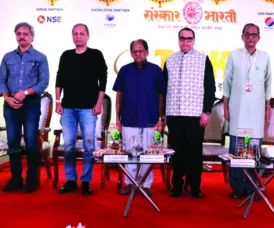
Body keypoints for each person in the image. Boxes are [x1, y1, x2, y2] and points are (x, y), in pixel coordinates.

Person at [55, 23, 108, 196]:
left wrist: (99, 103)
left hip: (88, 109)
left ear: (88, 36)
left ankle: (86, 181)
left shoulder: (96, 55)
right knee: (69, 145)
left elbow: (103, 80)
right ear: (72, 36)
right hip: (68, 109)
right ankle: (70, 180)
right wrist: (57, 101)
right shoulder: (66, 55)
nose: (78, 36)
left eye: (81, 33)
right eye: (75, 34)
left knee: (89, 146)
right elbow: (59, 80)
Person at [164, 27, 216, 198]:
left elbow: (210, 88)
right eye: (182, 38)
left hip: (195, 114)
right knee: (176, 151)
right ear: (178, 40)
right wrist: (164, 114)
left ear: (194, 40)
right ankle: (177, 185)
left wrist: (206, 111)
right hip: (174, 113)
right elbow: (164, 90)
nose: (185, 42)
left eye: (189, 39)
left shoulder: (203, 60)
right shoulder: (170, 60)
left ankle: (195, 186)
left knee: (194, 152)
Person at [223, 23, 272, 199]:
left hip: (257, 111)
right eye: (247, 34)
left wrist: (267, 107)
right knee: (237, 150)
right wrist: (226, 107)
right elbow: (227, 84)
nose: (250, 37)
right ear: (242, 36)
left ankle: (253, 186)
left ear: (258, 37)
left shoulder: (265, 57)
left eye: (254, 34)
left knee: (254, 150)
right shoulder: (234, 56)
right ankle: (237, 187)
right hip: (237, 110)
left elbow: (268, 85)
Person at [0, 22, 49, 193]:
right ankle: (15, 179)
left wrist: (25, 93)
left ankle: (32, 178)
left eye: (25, 34)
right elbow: (1, 80)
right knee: (13, 142)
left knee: (30, 141)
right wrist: (7, 98)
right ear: (16, 36)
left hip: (30, 105)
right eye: (19, 33)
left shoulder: (40, 57)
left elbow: (43, 83)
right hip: (10, 104)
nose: (22, 36)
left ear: (32, 37)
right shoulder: (7, 57)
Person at [113, 39, 165, 197]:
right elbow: (119, 95)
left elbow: (161, 96)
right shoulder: (124, 70)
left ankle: (146, 185)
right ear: (131, 53)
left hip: (150, 118)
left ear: (147, 52)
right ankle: (130, 183)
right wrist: (117, 118)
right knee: (130, 153)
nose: (138, 54)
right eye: (135, 51)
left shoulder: (156, 71)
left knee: (148, 153)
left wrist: (160, 118)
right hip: (129, 118)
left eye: (141, 51)